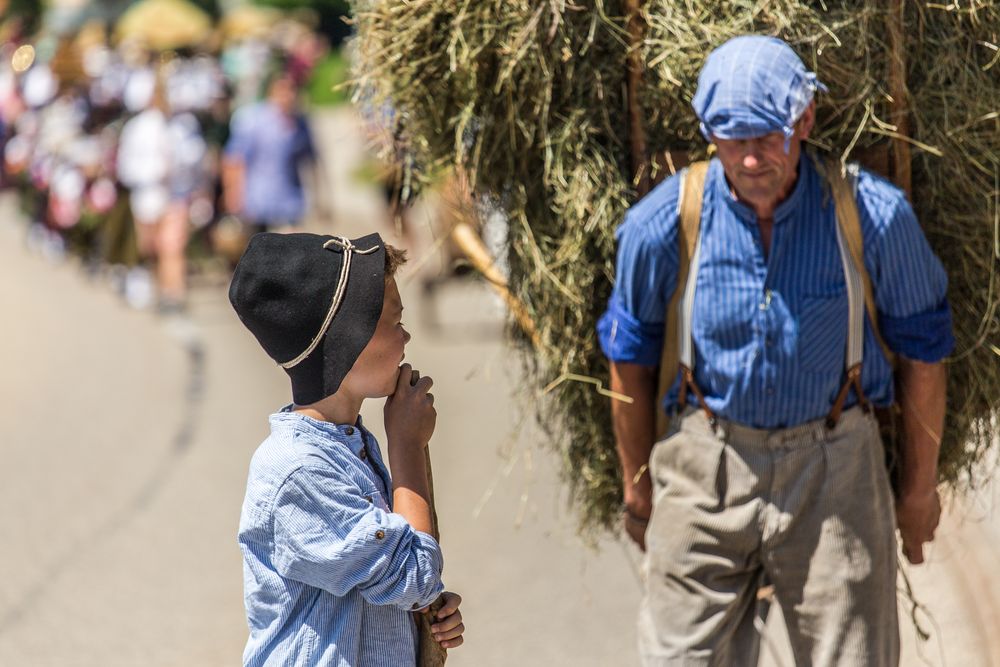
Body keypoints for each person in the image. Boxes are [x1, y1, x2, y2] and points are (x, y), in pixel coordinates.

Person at [597, 36, 953, 666]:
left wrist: (919, 490)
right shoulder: (664, 222)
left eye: (767, 136)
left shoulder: (872, 216)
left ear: (805, 120)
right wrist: (637, 484)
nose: (751, 157)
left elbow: (925, 354)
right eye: (732, 138)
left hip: (836, 468)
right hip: (705, 462)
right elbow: (629, 357)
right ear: (708, 132)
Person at [229, 231, 465, 665]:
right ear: (349, 343)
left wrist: (424, 611)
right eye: (395, 323)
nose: (406, 336)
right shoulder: (298, 472)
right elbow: (413, 573)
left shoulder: (348, 444)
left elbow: (400, 576)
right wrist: (407, 446)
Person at [222, 67, 326, 235]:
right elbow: (234, 158)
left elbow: (311, 161)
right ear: (271, 91)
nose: (288, 95)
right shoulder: (253, 120)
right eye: (282, 89)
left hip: (289, 202)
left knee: (291, 252)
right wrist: (233, 193)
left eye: (292, 90)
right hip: (257, 202)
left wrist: (320, 200)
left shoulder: (300, 123)